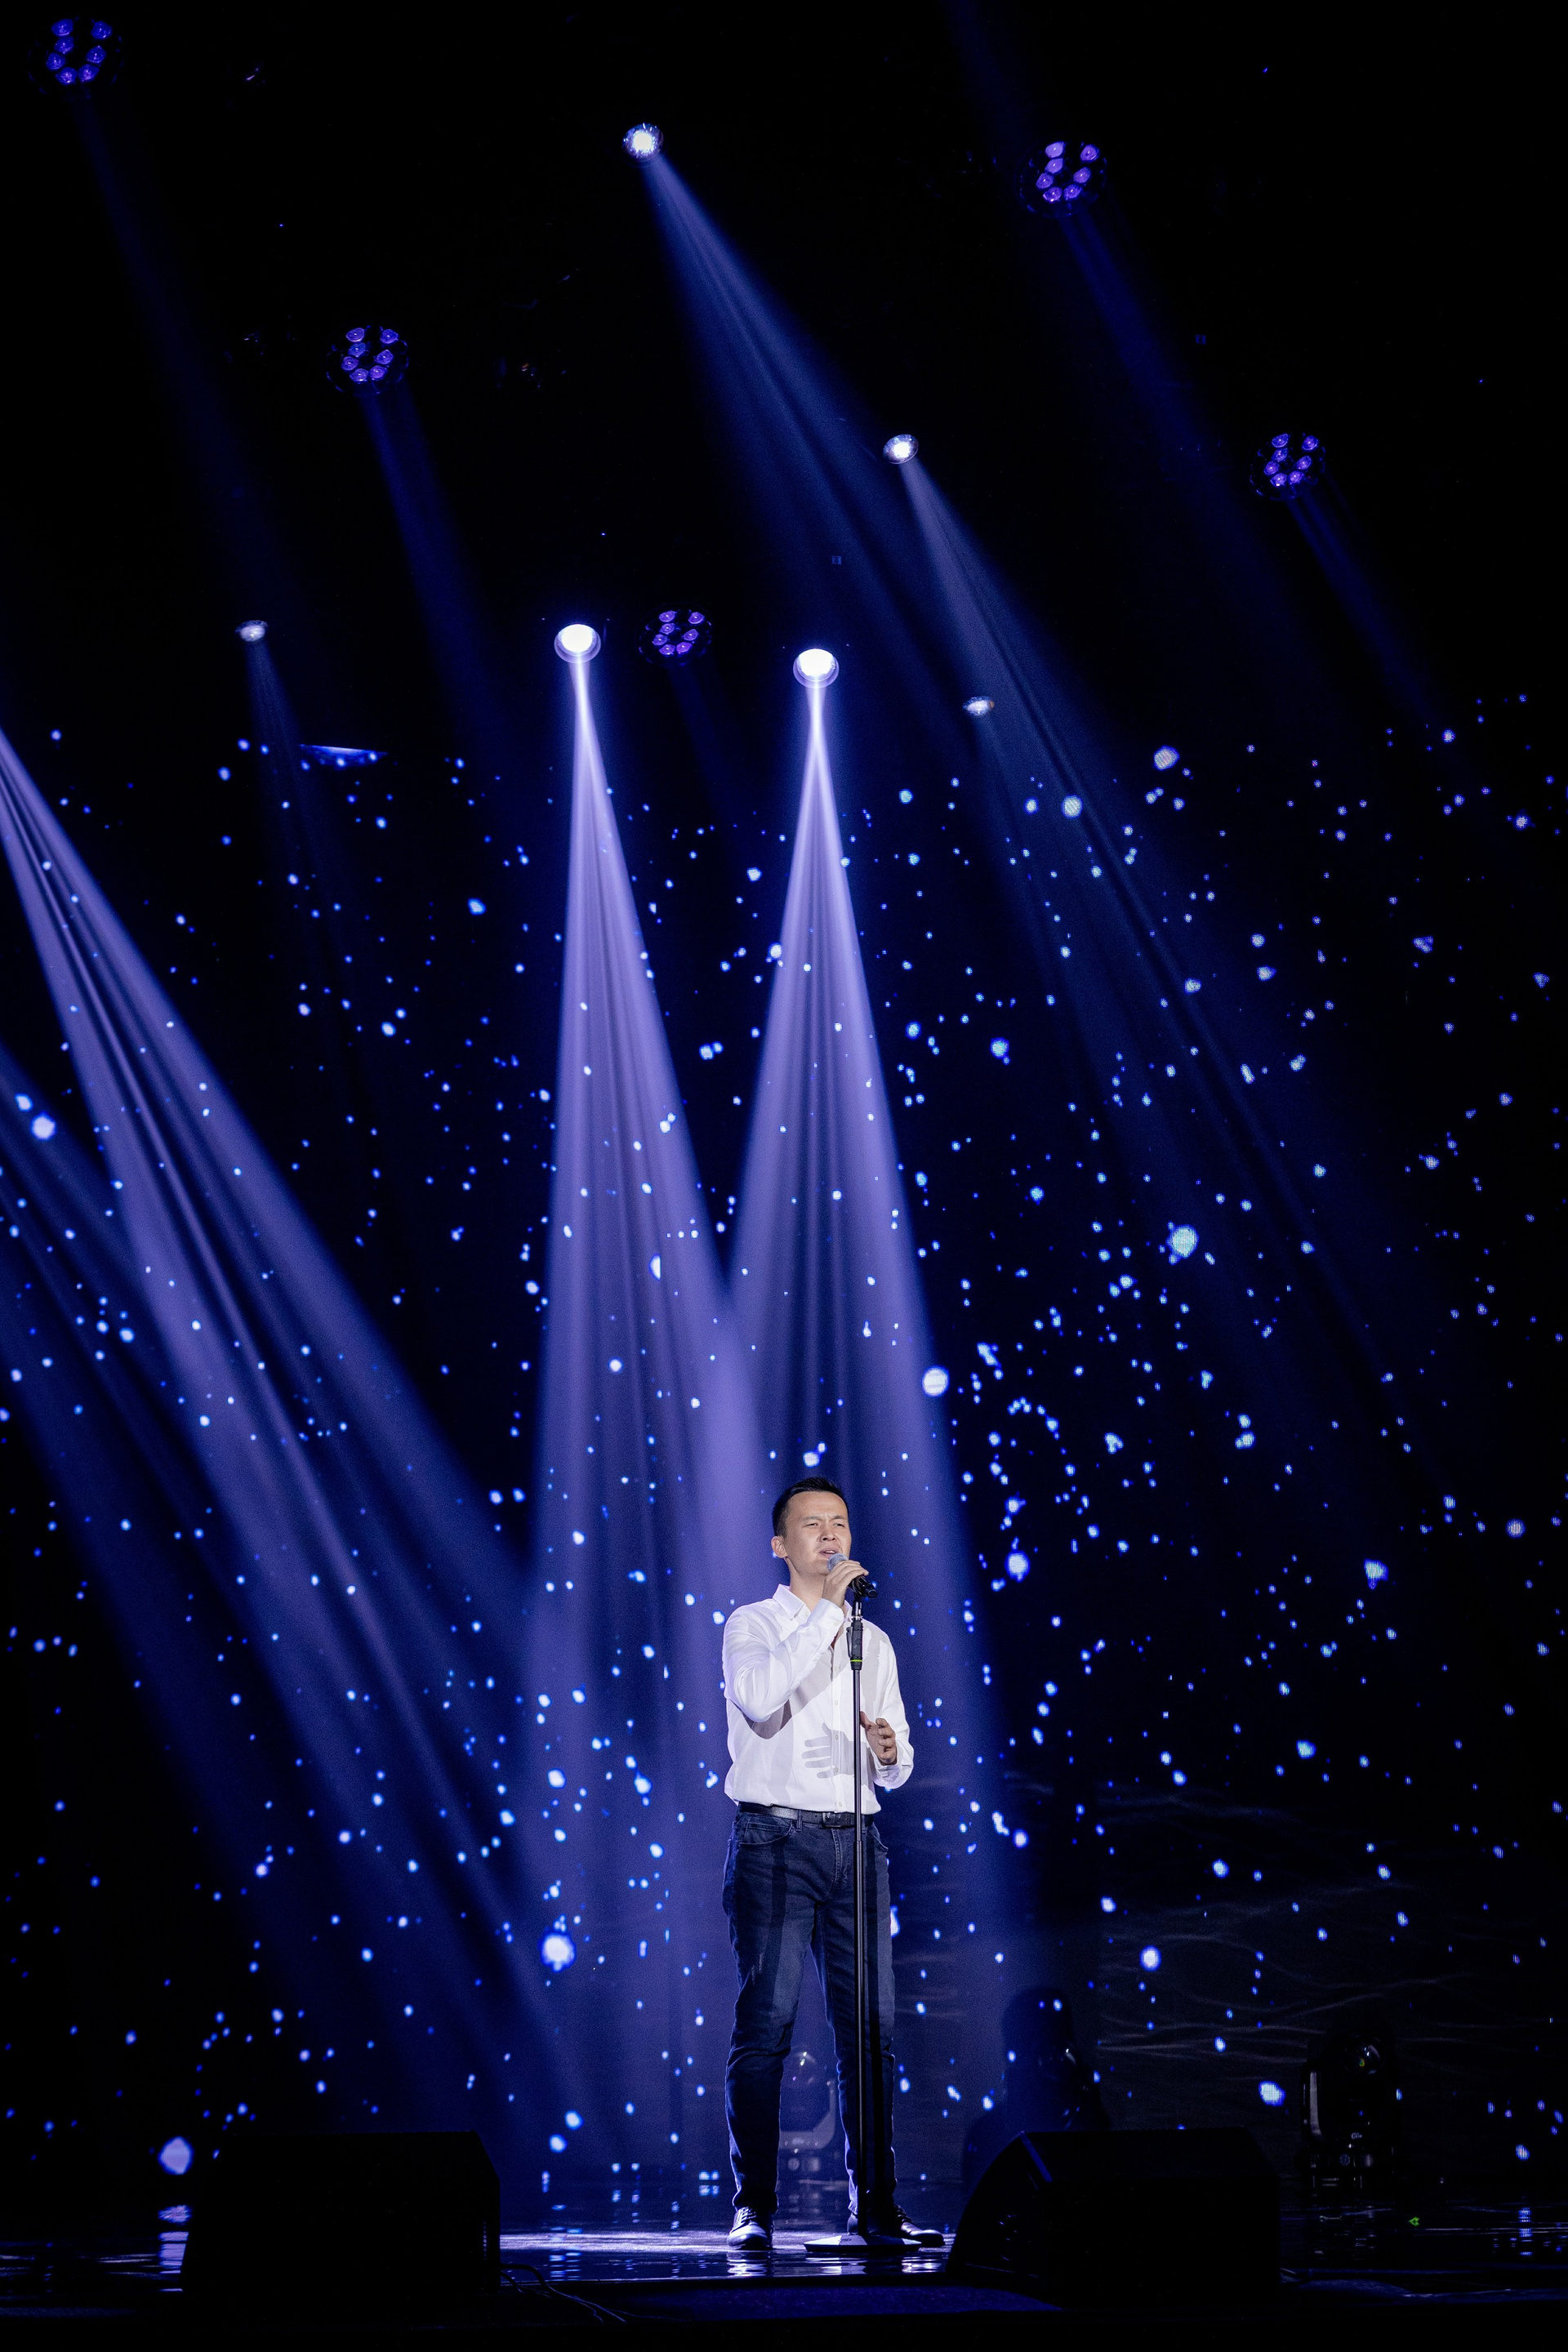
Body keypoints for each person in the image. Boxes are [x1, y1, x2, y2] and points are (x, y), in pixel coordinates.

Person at [719, 1477, 938, 2251]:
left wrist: (890, 1752)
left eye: (839, 1523)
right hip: (774, 1841)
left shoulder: (874, 1641)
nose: (829, 1535)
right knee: (768, 2026)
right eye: (812, 1525)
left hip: (858, 1844)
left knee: (870, 2034)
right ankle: (754, 2204)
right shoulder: (752, 1624)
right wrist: (826, 1619)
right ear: (781, 1544)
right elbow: (759, 1697)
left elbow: (899, 1762)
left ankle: (876, 2207)